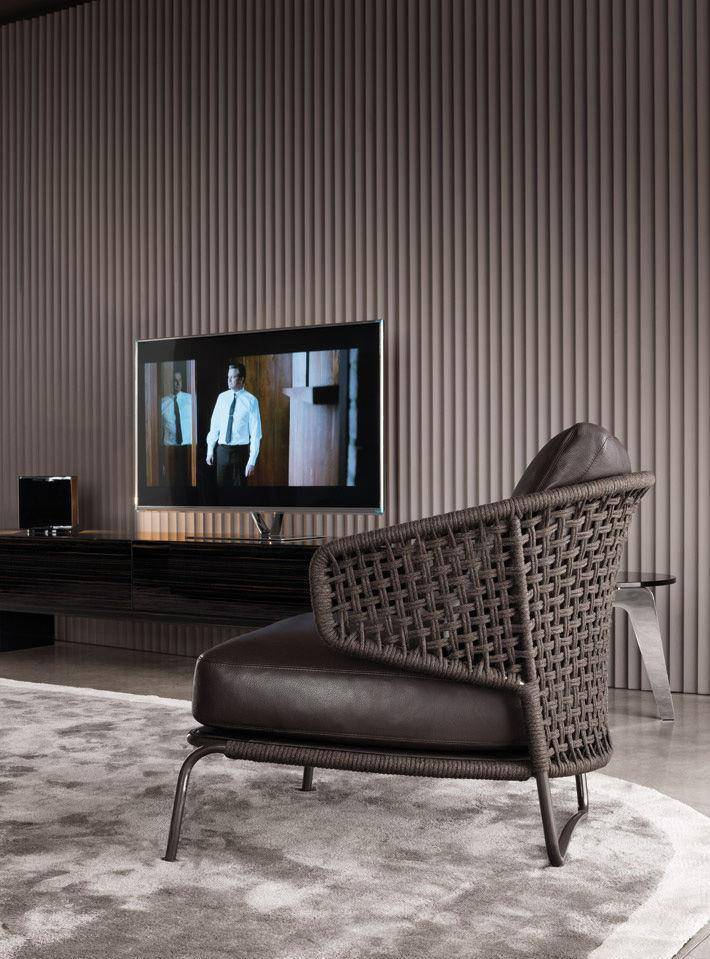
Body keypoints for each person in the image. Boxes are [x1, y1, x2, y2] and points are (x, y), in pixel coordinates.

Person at [206, 363, 262, 486]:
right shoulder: (222, 398)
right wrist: (210, 450)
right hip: (222, 452)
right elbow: (214, 426)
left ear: (241, 379)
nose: (229, 380)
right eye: (228, 377)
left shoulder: (251, 401)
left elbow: (256, 434)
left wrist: (251, 461)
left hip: (240, 454)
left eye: (233, 377)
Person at [160, 370, 193, 485]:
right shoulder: (163, 403)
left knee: (187, 481)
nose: (178, 384)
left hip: (187, 447)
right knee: (171, 482)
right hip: (170, 448)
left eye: (180, 380)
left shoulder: (190, 399)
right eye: (175, 381)